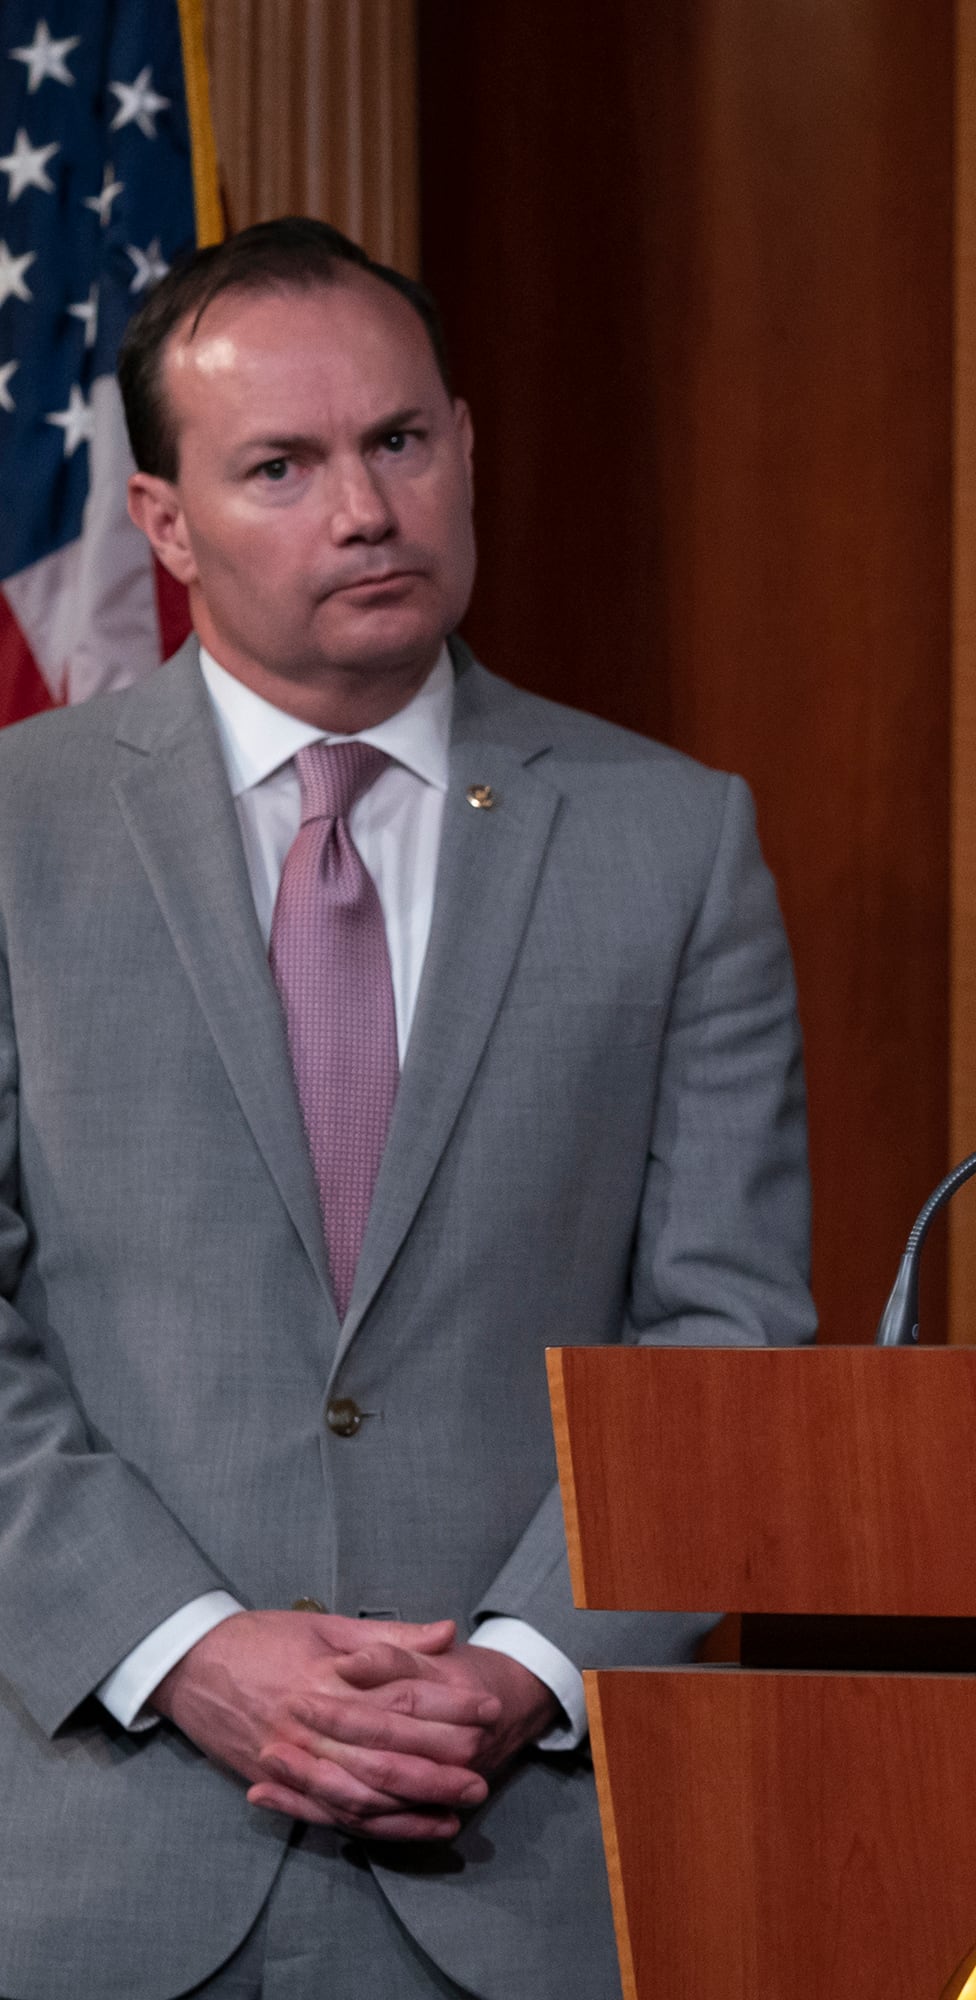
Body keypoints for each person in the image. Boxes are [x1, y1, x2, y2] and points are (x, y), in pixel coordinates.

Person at [0, 219, 812, 1999]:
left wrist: (521, 1665)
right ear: (162, 524)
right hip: (95, 1863)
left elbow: (728, 1330)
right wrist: (189, 1648)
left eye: (399, 443)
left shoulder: (676, 840)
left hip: (527, 1862)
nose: (364, 509)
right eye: (280, 466)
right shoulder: (15, 832)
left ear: (465, 443)